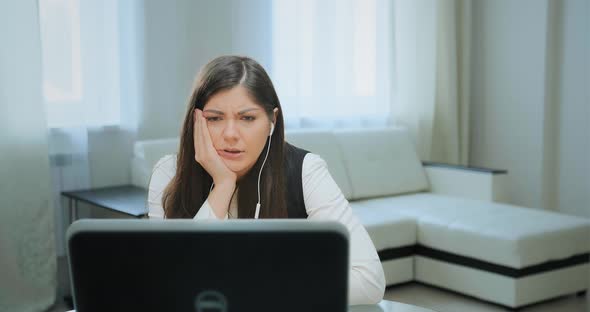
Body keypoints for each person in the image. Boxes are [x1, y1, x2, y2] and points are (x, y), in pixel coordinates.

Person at [148, 55, 385, 305]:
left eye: (247, 118)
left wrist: (256, 287)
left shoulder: (305, 170)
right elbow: (172, 285)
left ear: (272, 121)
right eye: (215, 118)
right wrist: (223, 186)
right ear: (195, 121)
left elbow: (369, 281)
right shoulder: (168, 173)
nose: (230, 134)